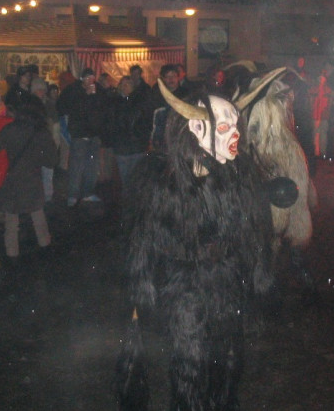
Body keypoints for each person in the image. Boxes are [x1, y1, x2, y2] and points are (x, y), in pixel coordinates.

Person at [116, 80, 274, 410]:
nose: (236, 135)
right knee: (190, 365)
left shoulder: (240, 175)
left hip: (227, 285)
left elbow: (254, 233)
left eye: (237, 126)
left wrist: (257, 278)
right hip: (184, 292)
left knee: (227, 359)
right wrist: (140, 294)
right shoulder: (160, 183)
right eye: (226, 127)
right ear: (197, 129)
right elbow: (141, 242)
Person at [0, 98, 57, 260]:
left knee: (11, 221)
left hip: (11, 180)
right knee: (38, 216)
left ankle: (11, 254)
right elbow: (52, 161)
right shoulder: (41, 132)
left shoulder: (9, 129)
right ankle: (45, 248)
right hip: (32, 179)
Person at [56, 67, 107, 207]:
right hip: (79, 135)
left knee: (92, 166)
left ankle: (88, 193)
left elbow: (104, 108)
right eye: (87, 78)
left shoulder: (98, 90)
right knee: (76, 166)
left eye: (92, 78)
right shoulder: (73, 90)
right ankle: (73, 195)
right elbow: (65, 107)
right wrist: (86, 95)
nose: (90, 81)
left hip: (94, 135)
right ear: (82, 79)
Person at [108, 76, 152, 193]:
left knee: (138, 178)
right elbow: (111, 123)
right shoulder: (114, 102)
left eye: (128, 84)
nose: (125, 87)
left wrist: (143, 139)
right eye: (123, 84)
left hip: (138, 147)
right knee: (126, 178)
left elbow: (145, 122)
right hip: (122, 148)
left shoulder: (140, 102)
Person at [149, 63, 188, 152]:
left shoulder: (186, 95)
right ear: (163, 79)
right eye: (167, 76)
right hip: (161, 142)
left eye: (173, 76)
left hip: (180, 142)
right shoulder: (156, 95)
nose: (171, 79)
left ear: (178, 77)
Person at [310, 70, 333, 159]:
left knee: (323, 133)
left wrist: (327, 112)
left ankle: (323, 152)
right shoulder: (313, 89)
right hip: (315, 114)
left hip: (323, 115)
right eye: (319, 78)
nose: (321, 80)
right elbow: (310, 102)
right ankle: (316, 152)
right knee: (315, 133)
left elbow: (330, 103)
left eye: (322, 78)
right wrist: (311, 110)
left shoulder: (328, 90)